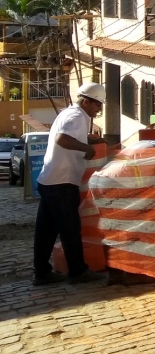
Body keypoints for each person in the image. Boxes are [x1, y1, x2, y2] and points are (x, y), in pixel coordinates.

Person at [32, 82, 108, 286]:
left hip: (49, 180)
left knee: (46, 231)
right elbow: (62, 139)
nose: (98, 109)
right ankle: (77, 271)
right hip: (63, 183)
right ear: (86, 101)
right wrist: (86, 147)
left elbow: (67, 139)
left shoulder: (69, 113)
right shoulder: (77, 116)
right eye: (97, 105)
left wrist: (89, 142)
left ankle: (41, 273)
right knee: (70, 228)